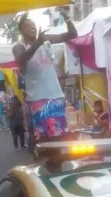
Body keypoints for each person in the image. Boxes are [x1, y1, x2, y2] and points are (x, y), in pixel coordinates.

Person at [12, 11, 77, 143]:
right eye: (27, 26)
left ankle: (59, 163)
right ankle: (43, 162)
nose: (32, 27)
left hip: (56, 97)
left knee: (60, 136)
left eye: (33, 25)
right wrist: (38, 43)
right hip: (38, 99)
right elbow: (21, 59)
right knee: (43, 139)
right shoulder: (19, 47)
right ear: (21, 30)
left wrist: (68, 19)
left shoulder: (44, 40)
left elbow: (72, 34)